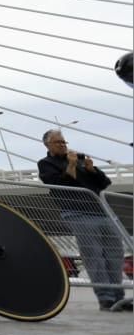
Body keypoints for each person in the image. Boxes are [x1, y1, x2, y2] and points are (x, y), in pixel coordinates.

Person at [37, 129, 130, 311]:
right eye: (58, 143)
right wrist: (71, 165)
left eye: (64, 142)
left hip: (102, 212)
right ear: (48, 145)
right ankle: (106, 298)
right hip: (78, 213)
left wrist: (91, 169)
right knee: (94, 256)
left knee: (115, 255)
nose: (63, 145)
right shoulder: (46, 164)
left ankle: (119, 297)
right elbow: (61, 185)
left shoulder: (78, 159)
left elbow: (104, 183)